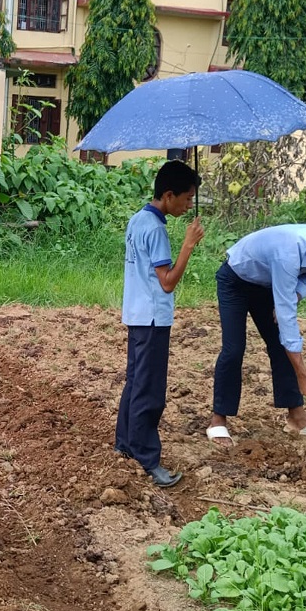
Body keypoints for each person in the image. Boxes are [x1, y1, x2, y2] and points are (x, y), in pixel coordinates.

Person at [206, 222, 306, 446]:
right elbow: (288, 323)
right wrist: (304, 375)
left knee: (281, 348)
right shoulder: (288, 253)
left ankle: (296, 416)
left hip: (266, 283)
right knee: (234, 349)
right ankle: (218, 419)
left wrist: (296, 294)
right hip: (235, 281)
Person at [115, 160, 205, 488]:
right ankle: (147, 457)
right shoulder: (157, 229)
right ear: (168, 195)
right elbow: (167, 282)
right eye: (187, 198)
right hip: (153, 317)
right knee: (150, 391)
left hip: (138, 314)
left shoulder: (138, 220)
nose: (189, 204)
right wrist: (188, 245)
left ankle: (125, 444)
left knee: (135, 382)